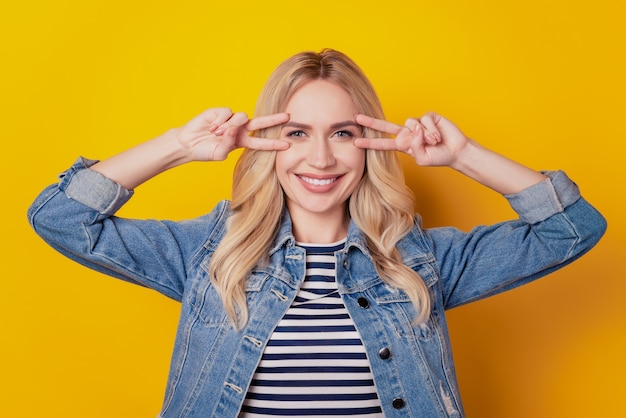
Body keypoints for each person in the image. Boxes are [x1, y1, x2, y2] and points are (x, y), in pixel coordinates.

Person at [28, 49, 606, 418]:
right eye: (298, 133)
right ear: (267, 142)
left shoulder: (420, 262)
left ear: (370, 143)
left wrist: (463, 156)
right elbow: (60, 216)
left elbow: (572, 228)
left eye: (345, 133)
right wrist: (180, 147)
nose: (323, 158)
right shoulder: (209, 254)